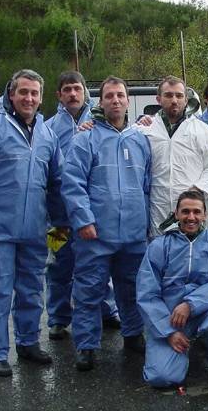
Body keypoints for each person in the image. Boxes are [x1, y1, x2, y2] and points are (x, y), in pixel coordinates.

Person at [0, 69, 66, 377]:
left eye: (34, 93)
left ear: (41, 98)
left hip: (35, 230)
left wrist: (60, 224)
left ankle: (28, 343)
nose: (28, 98)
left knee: (31, 290)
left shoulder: (48, 136)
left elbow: (56, 183)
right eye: (23, 92)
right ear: (11, 94)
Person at [61, 76, 152, 371]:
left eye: (120, 95)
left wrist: (147, 224)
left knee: (132, 287)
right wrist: (83, 220)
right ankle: (86, 346)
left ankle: (133, 333)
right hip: (95, 233)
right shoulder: (84, 139)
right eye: (109, 96)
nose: (115, 100)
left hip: (134, 233)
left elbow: (148, 185)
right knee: (89, 290)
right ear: (100, 102)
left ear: (127, 101)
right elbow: (72, 184)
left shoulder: (140, 139)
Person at [136, 190, 208, 389]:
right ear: (176, 214)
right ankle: (174, 351)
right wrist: (168, 332)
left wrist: (190, 304)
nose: (191, 217)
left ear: (205, 215)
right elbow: (147, 295)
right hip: (170, 319)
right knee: (162, 379)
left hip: (206, 311)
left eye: (196, 212)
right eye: (185, 211)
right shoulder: (159, 246)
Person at [43, 71, 120, 341]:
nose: (73, 94)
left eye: (77, 88)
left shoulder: (99, 122)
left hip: (93, 215)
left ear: (86, 92)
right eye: (67, 90)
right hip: (59, 218)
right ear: (59, 95)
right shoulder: (48, 128)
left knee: (97, 266)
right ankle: (58, 318)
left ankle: (107, 309)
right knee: (58, 266)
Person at [138, 76, 208, 236]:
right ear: (158, 99)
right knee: (163, 256)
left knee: (198, 256)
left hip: (196, 212)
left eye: (179, 96)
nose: (174, 100)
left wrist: (197, 191)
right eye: (168, 95)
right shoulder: (146, 130)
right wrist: (90, 124)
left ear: (186, 100)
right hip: (160, 212)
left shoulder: (201, 130)